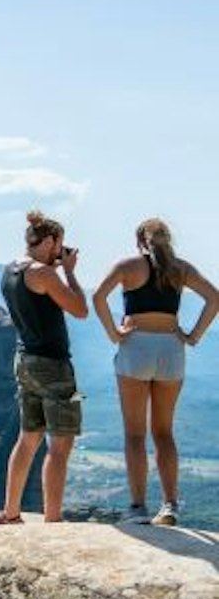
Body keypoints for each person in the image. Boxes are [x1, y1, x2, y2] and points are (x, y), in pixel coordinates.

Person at [92, 218, 219, 526]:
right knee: (164, 432)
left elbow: (98, 297)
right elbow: (214, 298)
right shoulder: (182, 269)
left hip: (135, 347)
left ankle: (137, 509)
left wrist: (114, 333)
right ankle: (170, 505)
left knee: (134, 434)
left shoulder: (128, 266)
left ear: (140, 241)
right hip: (171, 350)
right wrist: (193, 336)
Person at [0, 210, 88, 524]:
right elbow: (80, 310)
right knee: (60, 444)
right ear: (49, 241)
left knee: (28, 437)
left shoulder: (10, 269)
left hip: (24, 360)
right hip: (53, 365)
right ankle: (53, 519)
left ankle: (10, 512)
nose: (59, 252)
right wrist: (70, 272)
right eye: (58, 245)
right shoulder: (45, 274)